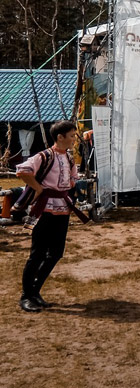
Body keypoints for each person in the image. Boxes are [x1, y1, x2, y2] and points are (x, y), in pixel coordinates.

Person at [16, 120, 80, 313]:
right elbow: (23, 170)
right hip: (43, 209)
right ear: (60, 137)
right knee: (37, 253)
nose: (73, 140)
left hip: (62, 209)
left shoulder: (69, 158)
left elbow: (72, 181)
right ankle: (26, 296)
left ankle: (34, 291)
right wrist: (38, 188)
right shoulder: (44, 156)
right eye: (71, 136)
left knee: (56, 252)